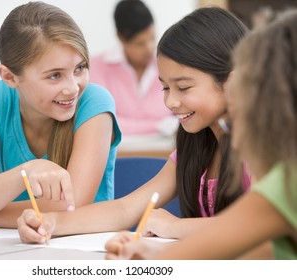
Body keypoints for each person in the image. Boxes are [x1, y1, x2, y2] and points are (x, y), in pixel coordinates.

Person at [17, 7, 251, 244]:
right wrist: (51, 222)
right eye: (165, 88)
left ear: (233, 81)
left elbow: (257, 226)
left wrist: (176, 226)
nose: (170, 102)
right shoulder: (195, 149)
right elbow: (124, 210)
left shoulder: (259, 151)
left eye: (183, 87)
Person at [105, 9, 297, 260]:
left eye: (183, 87)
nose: (236, 140)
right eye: (165, 87)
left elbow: (243, 239)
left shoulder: (286, 184)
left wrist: (170, 237)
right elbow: (255, 252)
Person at [0, 1, 121, 229]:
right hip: (14, 245)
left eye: (80, 68)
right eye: (55, 75)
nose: (73, 87)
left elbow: (72, 206)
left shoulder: (95, 102)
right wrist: (28, 171)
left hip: (82, 244)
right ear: (9, 77)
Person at [89, 0, 175, 136]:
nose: (149, 48)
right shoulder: (97, 67)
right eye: (140, 43)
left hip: (165, 150)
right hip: (118, 153)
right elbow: (102, 122)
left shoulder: (169, 65)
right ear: (121, 38)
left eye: (152, 38)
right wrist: (160, 125)